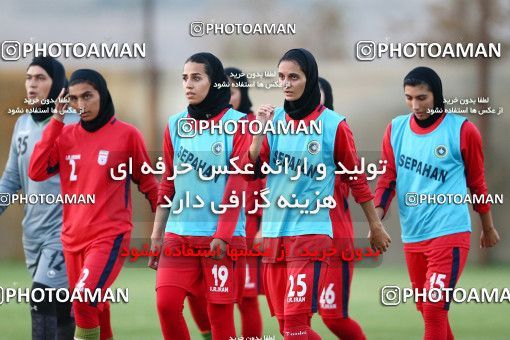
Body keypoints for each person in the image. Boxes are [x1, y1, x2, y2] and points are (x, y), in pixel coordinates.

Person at [244, 48, 390, 339]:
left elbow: (357, 179)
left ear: (309, 80)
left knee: (298, 328)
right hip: (275, 235)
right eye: (281, 77)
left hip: (311, 233)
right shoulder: (273, 121)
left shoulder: (333, 125)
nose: (286, 83)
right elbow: (252, 169)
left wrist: (375, 224)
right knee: (288, 329)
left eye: (294, 77)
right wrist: (258, 131)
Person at [29, 69, 158, 340]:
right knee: (94, 309)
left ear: (103, 94)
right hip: (72, 239)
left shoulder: (127, 135)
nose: (81, 105)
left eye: (88, 96)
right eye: (74, 99)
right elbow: (36, 171)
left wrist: (164, 231)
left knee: (84, 300)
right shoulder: (65, 135)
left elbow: (149, 185)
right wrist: (56, 120)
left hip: (109, 236)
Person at [374, 66, 500, 340]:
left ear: (437, 95)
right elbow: (387, 180)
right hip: (413, 236)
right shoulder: (395, 129)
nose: (414, 105)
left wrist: (487, 227)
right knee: (428, 308)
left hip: (449, 232)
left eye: (421, 97)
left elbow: (477, 183)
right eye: (409, 98)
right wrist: (375, 220)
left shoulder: (462, 130)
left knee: (433, 308)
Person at [149, 52, 249, 340]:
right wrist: (158, 233)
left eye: (196, 78)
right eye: (184, 78)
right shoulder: (175, 125)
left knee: (219, 318)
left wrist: (224, 235)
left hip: (222, 238)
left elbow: (236, 186)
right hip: (178, 235)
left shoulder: (240, 125)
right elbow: (168, 181)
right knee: (166, 305)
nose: (188, 85)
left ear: (215, 82)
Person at [0, 56, 77, 340]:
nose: (32, 84)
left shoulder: (74, 125)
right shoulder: (22, 124)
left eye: (41, 78)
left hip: (64, 232)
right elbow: (11, 178)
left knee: (41, 295)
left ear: (57, 85)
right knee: (58, 307)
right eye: (29, 77)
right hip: (32, 233)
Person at [316, 76, 366, 339]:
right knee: (291, 320)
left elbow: (355, 181)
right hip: (297, 244)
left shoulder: (336, 136)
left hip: (335, 244)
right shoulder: (286, 137)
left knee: (333, 317)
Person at [225, 66, 264, 338]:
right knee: (221, 294)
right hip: (217, 222)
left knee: (246, 297)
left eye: (233, 90)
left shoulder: (255, 124)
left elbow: (266, 176)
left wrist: (264, 223)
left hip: (249, 221)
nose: (228, 95)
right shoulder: (207, 125)